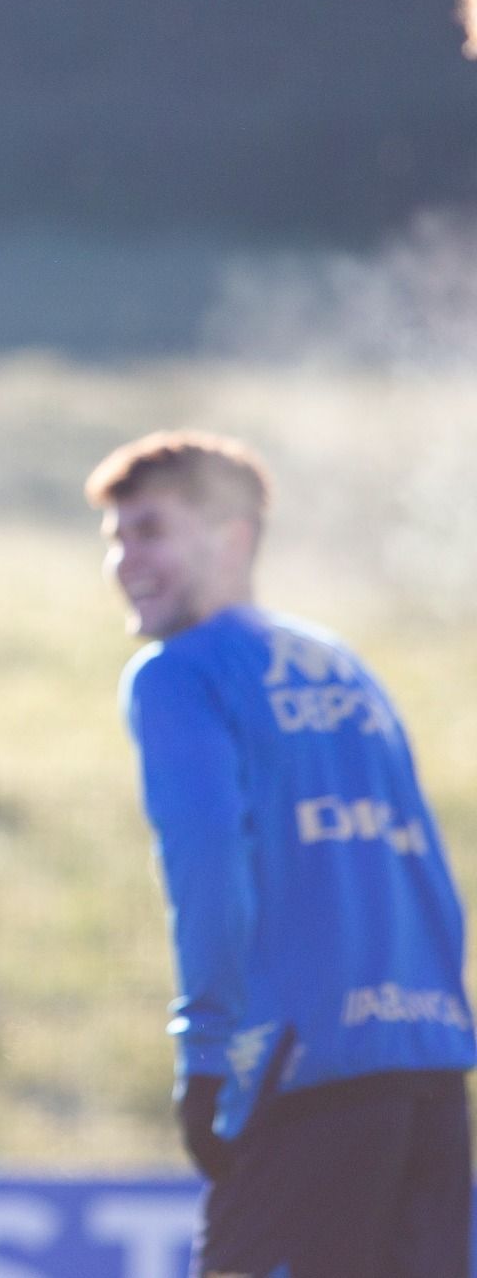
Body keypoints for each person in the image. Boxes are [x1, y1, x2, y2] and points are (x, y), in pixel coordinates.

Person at [87, 431, 476, 1278]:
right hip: (432, 1070)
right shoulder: (347, 669)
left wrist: (207, 1051)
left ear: (233, 535)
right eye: (115, 539)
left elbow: (208, 865)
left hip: (303, 1072)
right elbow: (430, 879)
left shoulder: (176, 675)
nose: (123, 561)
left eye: (149, 531)